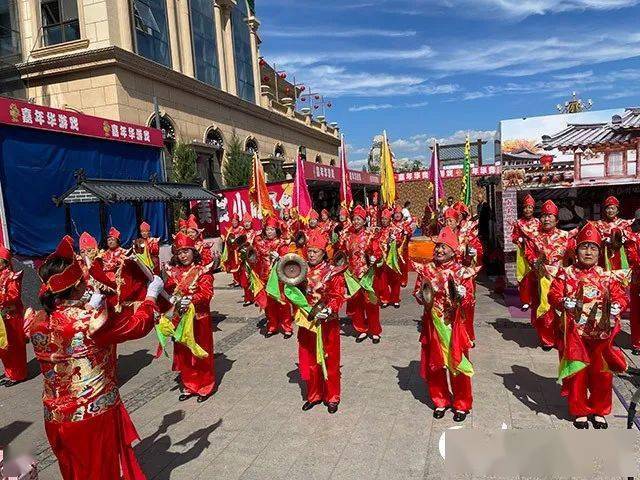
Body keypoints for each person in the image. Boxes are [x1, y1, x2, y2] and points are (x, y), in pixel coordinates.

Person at [26, 235, 164, 480]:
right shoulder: (91, 323)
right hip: (92, 415)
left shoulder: (36, 320)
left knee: (75, 472)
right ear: (77, 285)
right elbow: (137, 326)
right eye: (84, 280)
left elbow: (63, 324)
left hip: (54, 416)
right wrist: (151, 296)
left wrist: (90, 304)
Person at [548, 222, 627, 429]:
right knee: (578, 372)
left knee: (602, 373)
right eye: (584, 247)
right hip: (575, 334)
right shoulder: (565, 274)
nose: (588, 252)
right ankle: (580, 410)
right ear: (576, 250)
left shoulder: (607, 276)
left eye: (593, 248)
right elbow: (553, 294)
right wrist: (563, 301)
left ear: (599, 253)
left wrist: (618, 305)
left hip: (602, 334)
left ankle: (600, 410)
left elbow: (620, 296)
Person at [413, 227, 478, 422]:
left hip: (453, 325)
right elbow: (418, 291)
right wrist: (419, 296)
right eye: (437, 247)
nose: (439, 250)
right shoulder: (426, 269)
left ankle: (462, 404)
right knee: (436, 364)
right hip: (432, 323)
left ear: (453, 250)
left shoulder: (462, 272)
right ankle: (440, 400)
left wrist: (463, 296)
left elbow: (470, 301)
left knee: (457, 364)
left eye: (443, 247)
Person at [296, 231, 346, 414]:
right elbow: (293, 290)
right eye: (309, 251)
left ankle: (332, 397)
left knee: (329, 360)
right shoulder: (300, 269)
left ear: (324, 253)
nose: (311, 255)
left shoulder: (332, 273)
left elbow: (338, 296)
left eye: (315, 252)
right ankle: (314, 395)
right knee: (310, 360)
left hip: (327, 323)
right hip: (307, 322)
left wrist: (330, 309)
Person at [165, 232, 215, 402]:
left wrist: (191, 300)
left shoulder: (202, 271)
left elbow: (206, 294)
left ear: (194, 251)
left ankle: (205, 386)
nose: (183, 255)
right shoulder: (174, 272)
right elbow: (167, 293)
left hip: (199, 318)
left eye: (186, 251)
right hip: (180, 319)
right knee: (184, 353)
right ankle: (189, 385)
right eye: (180, 252)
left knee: (201, 352)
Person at [525, 200, 574, 350]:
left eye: (550, 216)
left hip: (561, 278)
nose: (546, 219)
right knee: (544, 308)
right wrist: (535, 262)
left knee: (562, 307)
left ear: (556, 219)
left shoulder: (566, 236)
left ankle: (561, 336)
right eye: (544, 216)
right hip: (540, 277)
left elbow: (573, 256)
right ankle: (547, 339)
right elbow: (529, 253)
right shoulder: (534, 237)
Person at [343, 205, 381, 343]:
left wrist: (375, 256)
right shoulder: (348, 236)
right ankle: (361, 329)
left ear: (364, 221)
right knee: (357, 303)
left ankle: (375, 330)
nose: (356, 221)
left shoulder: (371, 235)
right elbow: (341, 253)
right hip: (352, 274)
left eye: (359, 219)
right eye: (354, 219)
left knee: (371, 302)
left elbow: (377, 251)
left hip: (367, 274)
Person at [255, 216, 292, 338]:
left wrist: (279, 258)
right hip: (265, 277)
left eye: (272, 229)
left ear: (277, 230)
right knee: (269, 304)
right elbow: (255, 259)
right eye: (267, 229)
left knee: (282, 302)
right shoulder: (260, 243)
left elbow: (289, 261)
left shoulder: (282, 243)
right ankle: (272, 326)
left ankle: (287, 327)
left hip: (279, 278)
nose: (269, 232)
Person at [0, 246, 25, 387]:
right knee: (4, 347)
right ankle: (9, 373)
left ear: (5, 262)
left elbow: (14, 296)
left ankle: (18, 375)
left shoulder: (11, 277)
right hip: (1, 318)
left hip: (11, 317)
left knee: (15, 346)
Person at [511, 194, 540, 311]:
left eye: (530, 207)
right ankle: (526, 301)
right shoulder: (518, 223)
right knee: (524, 277)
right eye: (525, 207)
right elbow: (514, 236)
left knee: (536, 275)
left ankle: (536, 298)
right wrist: (519, 239)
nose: (527, 210)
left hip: (535, 251)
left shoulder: (538, 222)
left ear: (533, 209)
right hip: (523, 252)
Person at [594, 196, 632, 271]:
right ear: (605, 210)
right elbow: (596, 239)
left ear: (617, 211)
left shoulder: (624, 223)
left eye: (613, 208)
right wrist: (604, 240)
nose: (610, 211)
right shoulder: (599, 224)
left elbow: (630, 240)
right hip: (604, 254)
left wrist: (624, 239)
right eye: (608, 208)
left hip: (621, 253)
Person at [238, 212, 257, 307]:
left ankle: (257, 298)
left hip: (254, 260)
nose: (246, 224)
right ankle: (248, 298)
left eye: (248, 222)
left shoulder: (255, 234)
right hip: (244, 260)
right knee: (245, 279)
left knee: (255, 279)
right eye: (245, 222)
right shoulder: (241, 234)